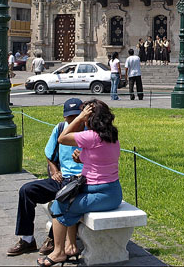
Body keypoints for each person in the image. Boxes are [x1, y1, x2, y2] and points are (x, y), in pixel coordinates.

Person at [42, 100, 122, 267]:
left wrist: (78, 118)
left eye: (86, 116)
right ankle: (69, 247)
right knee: (67, 199)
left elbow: (62, 138)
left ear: (90, 118)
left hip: (100, 193)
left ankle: (58, 253)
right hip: (110, 191)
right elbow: (101, 160)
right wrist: (82, 158)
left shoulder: (91, 136)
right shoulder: (112, 136)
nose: (84, 121)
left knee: (59, 205)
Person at [6, 98, 84, 257]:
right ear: (64, 117)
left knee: (65, 197)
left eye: (76, 116)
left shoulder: (91, 132)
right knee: (27, 191)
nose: (73, 121)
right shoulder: (60, 128)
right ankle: (27, 239)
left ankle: (53, 237)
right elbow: (49, 154)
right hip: (62, 179)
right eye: (70, 117)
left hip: (80, 181)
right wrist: (55, 170)